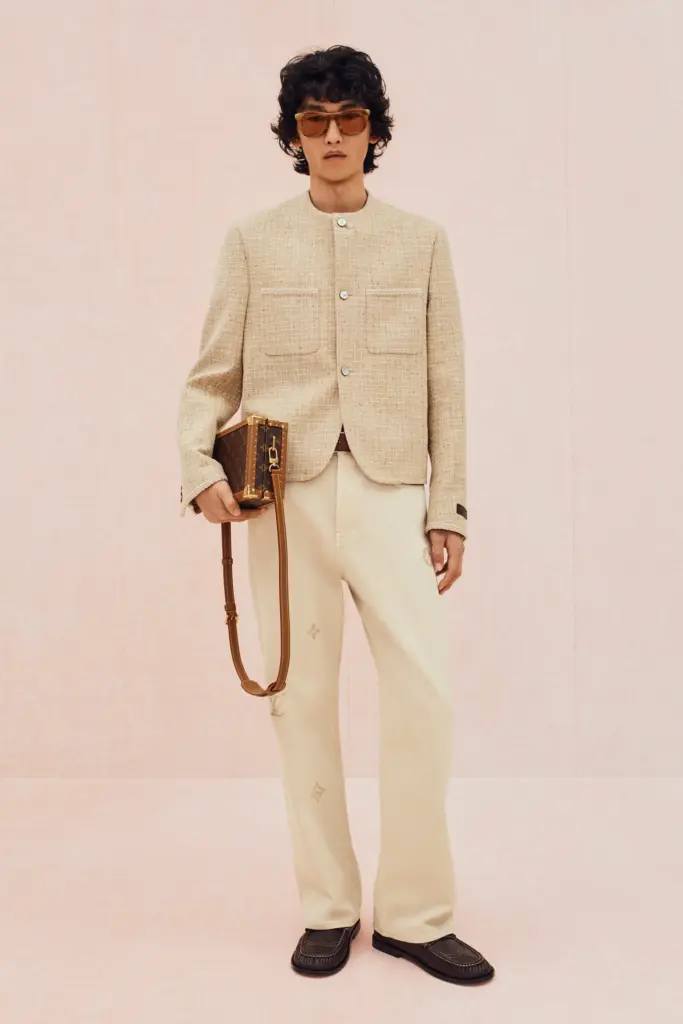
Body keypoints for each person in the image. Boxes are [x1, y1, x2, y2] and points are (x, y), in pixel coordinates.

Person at [176, 44, 494, 986]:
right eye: (312, 121)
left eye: (348, 118)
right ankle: (327, 907)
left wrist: (449, 506)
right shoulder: (251, 240)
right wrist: (196, 465)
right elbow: (211, 376)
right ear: (293, 136)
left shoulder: (422, 241)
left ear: (373, 130)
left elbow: (448, 387)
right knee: (299, 702)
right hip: (287, 498)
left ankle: (414, 916)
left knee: (424, 699)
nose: (331, 136)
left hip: (393, 493)